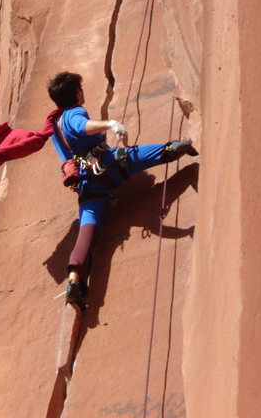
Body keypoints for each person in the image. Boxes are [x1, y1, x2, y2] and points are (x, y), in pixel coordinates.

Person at [46, 72, 197, 310]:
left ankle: (75, 278)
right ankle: (173, 149)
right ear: (76, 92)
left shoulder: (54, 126)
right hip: (106, 165)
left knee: (87, 228)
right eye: (80, 88)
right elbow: (82, 127)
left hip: (86, 183)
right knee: (134, 156)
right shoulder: (74, 113)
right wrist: (110, 123)